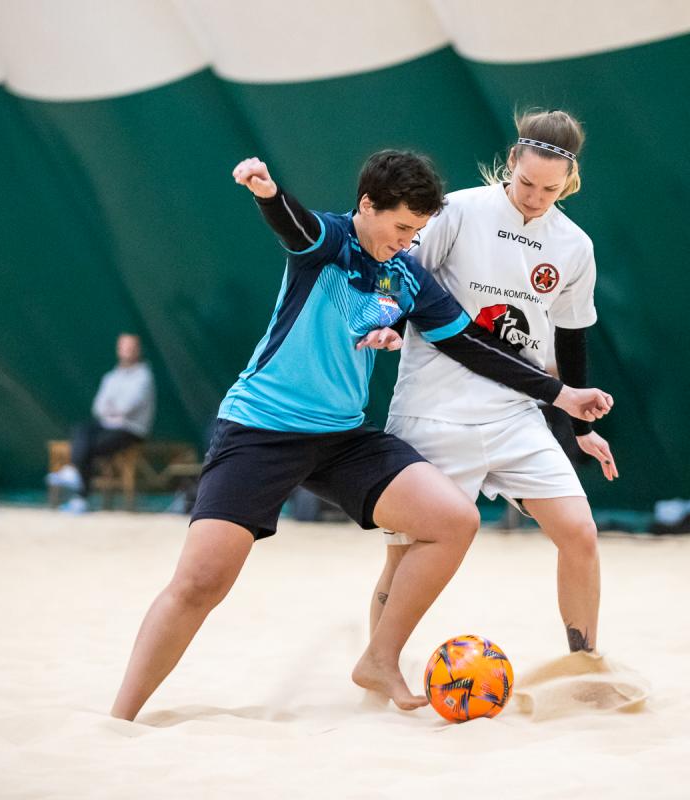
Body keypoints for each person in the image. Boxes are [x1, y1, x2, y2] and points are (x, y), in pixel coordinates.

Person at [110, 150, 613, 720]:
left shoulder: (406, 274)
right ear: (368, 206)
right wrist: (268, 194)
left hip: (343, 439)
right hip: (262, 429)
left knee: (454, 520)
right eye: (402, 228)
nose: (408, 241)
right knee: (201, 583)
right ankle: (120, 720)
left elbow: (469, 345)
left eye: (417, 231)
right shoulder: (329, 240)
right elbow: (295, 226)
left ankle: (379, 658)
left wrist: (561, 395)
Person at [366, 110, 615, 654]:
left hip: (515, 415)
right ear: (512, 161)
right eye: (527, 183)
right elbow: (399, 278)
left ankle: (584, 664)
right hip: (433, 410)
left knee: (579, 533)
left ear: (568, 181)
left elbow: (571, 337)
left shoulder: (574, 246)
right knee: (404, 555)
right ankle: (380, 669)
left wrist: (580, 429)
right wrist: (386, 324)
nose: (535, 197)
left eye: (550, 189)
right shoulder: (458, 211)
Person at [47, 333, 155, 513]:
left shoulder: (144, 376)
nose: (127, 351)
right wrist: (113, 410)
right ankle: (77, 483)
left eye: (131, 347)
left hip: (131, 430)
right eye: (123, 347)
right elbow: (98, 407)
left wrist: (112, 408)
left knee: (88, 445)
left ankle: (79, 492)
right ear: (118, 349)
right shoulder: (111, 376)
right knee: (81, 429)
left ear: (138, 350)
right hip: (106, 426)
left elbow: (127, 407)